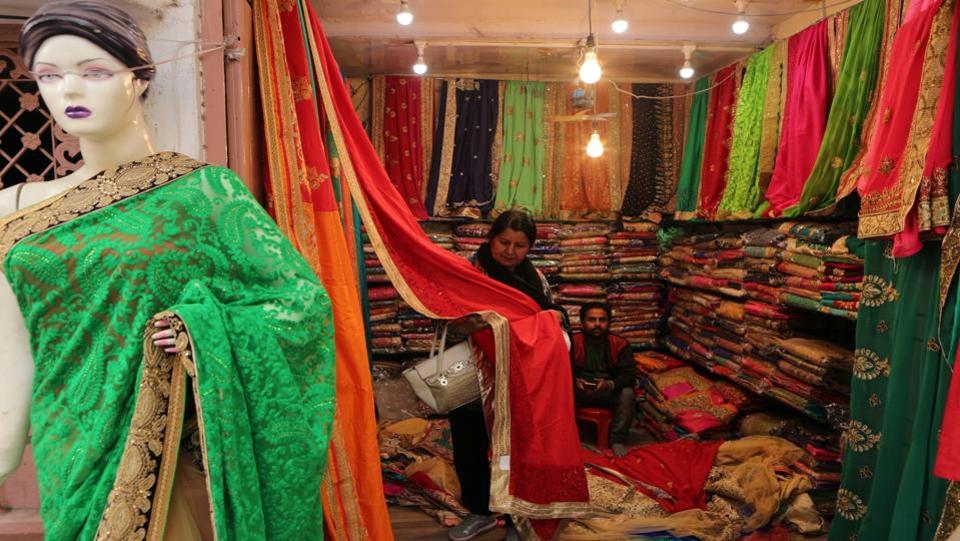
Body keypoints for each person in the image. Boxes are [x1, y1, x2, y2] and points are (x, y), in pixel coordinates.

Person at [0, 3, 335, 539]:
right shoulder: (14, 207)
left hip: (163, 455)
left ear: (138, 78)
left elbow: (300, 303)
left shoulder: (203, 194)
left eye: (94, 72)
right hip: (67, 445)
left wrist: (205, 334)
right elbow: (10, 353)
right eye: (49, 76)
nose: (69, 91)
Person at [447, 209, 562, 541]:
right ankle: (480, 511)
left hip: (518, 375)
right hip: (471, 373)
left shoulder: (533, 279)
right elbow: (444, 319)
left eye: (520, 245)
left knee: (515, 448)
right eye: (504, 242)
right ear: (490, 237)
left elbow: (549, 318)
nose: (509, 252)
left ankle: (517, 519)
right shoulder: (468, 272)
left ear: (530, 248)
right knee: (469, 444)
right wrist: (473, 324)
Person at [571, 302, 637, 457]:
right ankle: (570, 436)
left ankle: (617, 440)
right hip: (580, 391)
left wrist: (609, 384)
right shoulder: (573, 342)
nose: (597, 324)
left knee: (627, 394)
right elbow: (560, 367)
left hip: (607, 392)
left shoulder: (620, 344)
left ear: (608, 322)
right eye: (592, 320)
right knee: (559, 390)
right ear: (582, 322)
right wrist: (574, 380)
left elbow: (629, 375)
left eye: (602, 320)